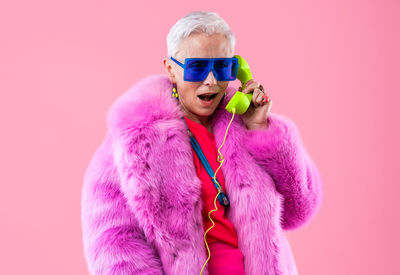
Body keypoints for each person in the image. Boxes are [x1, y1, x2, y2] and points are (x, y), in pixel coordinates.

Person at [81, 11, 323, 275]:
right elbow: (113, 245)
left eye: (222, 67)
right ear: (171, 69)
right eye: (197, 67)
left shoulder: (243, 122)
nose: (211, 80)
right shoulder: (134, 143)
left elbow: (300, 209)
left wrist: (261, 130)